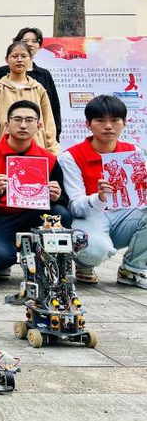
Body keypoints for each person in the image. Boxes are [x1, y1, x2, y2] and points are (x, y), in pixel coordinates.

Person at [59, 95, 147, 288]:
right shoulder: (71, 157)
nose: (108, 126)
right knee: (94, 252)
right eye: (100, 120)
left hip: (123, 216)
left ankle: (132, 269)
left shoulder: (133, 151)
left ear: (124, 123)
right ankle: (84, 263)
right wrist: (98, 198)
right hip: (89, 218)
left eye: (115, 120)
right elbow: (75, 207)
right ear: (88, 124)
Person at [0, 100, 71, 278]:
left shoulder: (49, 159)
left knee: (61, 214)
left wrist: (56, 196)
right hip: (1, 216)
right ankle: (3, 255)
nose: (23, 125)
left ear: (39, 126)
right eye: (17, 119)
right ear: (6, 125)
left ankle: (45, 259)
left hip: (36, 214)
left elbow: (64, 200)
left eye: (29, 120)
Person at [0, 41, 58, 154]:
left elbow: (49, 123)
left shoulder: (38, 89)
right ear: (6, 59)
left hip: (37, 150)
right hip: (5, 152)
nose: (19, 60)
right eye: (15, 56)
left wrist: (52, 151)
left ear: (30, 59)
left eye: (24, 56)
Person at [0, 27, 62, 141]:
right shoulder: (1, 75)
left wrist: (53, 139)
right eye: (25, 41)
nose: (30, 44)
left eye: (34, 41)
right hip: (6, 141)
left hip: (37, 140)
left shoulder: (43, 76)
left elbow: (53, 108)